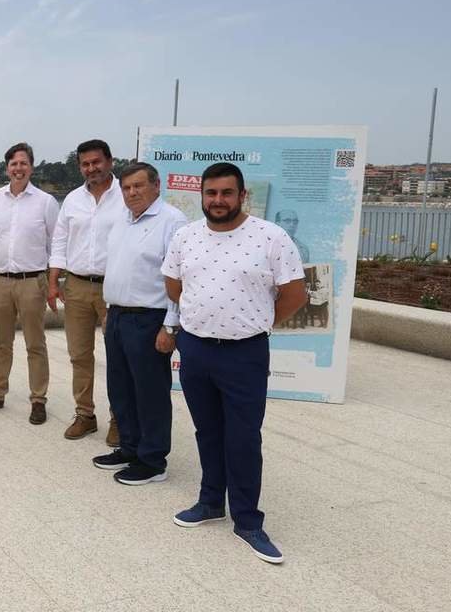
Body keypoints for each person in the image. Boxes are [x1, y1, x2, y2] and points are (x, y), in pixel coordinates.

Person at [162, 162, 307, 565]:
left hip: (245, 353)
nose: (218, 200)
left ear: (242, 195)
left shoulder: (270, 237)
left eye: (227, 193)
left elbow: (295, 294)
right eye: (211, 193)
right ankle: (210, 503)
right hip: (196, 350)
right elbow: (173, 285)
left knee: (243, 438)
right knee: (207, 431)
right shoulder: (185, 236)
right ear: (202, 196)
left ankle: (247, 520)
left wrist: (259, 322)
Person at [90, 163, 187, 485]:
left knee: (150, 393)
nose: (132, 192)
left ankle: (152, 460)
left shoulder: (172, 222)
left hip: (149, 319)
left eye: (138, 186)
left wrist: (170, 326)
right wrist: (108, 311)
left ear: (156, 186)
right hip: (118, 315)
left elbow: (178, 279)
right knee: (121, 388)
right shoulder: (122, 220)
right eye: (127, 187)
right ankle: (129, 447)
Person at [0, 142, 59, 425]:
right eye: (13, 163)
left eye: (23, 163)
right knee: (1, 343)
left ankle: (38, 399)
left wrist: (46, 279)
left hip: (32, 282)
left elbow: (54, 244)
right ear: (7, 167)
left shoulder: (46, 202)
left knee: (36, 343)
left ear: (31, 167)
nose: (18, 168)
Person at [48, 139, 125, 444]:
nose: (91, 168)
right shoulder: (72, 200)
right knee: (79, 355)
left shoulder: (126, 196)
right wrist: (53, 282)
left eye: (96, 162)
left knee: (118, 357)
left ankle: (119, 418)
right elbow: (59, 242)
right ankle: (85, 415)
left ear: (110, 161)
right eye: (85, 164)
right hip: (76, 286)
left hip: (115, 288)